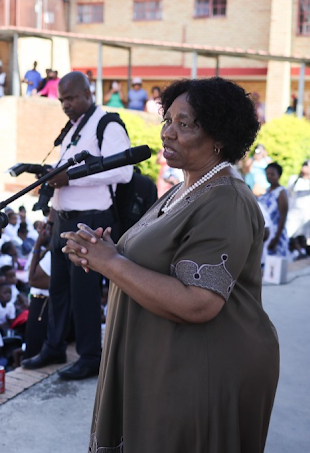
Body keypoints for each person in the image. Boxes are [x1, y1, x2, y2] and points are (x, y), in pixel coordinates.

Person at [60, 77, 279, 452]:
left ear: (220, 137)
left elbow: (199, 301)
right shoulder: (185, 188)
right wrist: (105, 253)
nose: (168, 134)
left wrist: (111, 263)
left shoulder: (227, 200)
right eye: (168, 121)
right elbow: (156, 263)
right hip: (164, 361)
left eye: (185, 124)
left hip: (204, 371)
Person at [21, 72, 133, 381]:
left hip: (92, 221)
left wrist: (70, 177)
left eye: (71, 98)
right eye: (61, 100)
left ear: (88, 92)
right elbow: (64, 176)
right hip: (63, 220)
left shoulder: (105, 124)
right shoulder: (72, 129)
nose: (66, 105)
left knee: (84, 293)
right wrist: (52, 213)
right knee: (58, 290)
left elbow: (123, 170)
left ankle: (89, 357)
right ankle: (54, 345)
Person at [286, 160, 310, 252]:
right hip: (294, 212)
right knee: (291, 233)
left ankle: (305, 251)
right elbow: (289, 190)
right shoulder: (294, 178)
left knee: (306, 236)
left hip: (307, 213)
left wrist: (309, 176)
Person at [258, 162, 290, 259]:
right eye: (267, 174)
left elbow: (283, 216)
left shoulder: (281, 192)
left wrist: (276, 238)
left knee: (276, 266)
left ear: (278, 175)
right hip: (265, 232)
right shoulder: (267, 191)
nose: (269, 176)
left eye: (272, 174)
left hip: (276, 233)